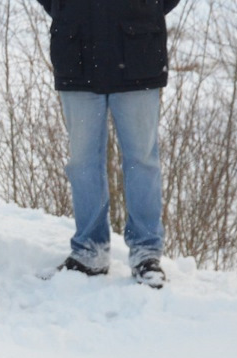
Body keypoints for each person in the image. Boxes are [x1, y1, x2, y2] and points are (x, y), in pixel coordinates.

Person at [39, 0, 179, 288]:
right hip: (76, 53)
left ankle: (146, 253)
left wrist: (146, 9)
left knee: (142, 161)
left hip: (138, 52)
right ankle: (90, 250)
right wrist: (66, 9)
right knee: (82, 163)